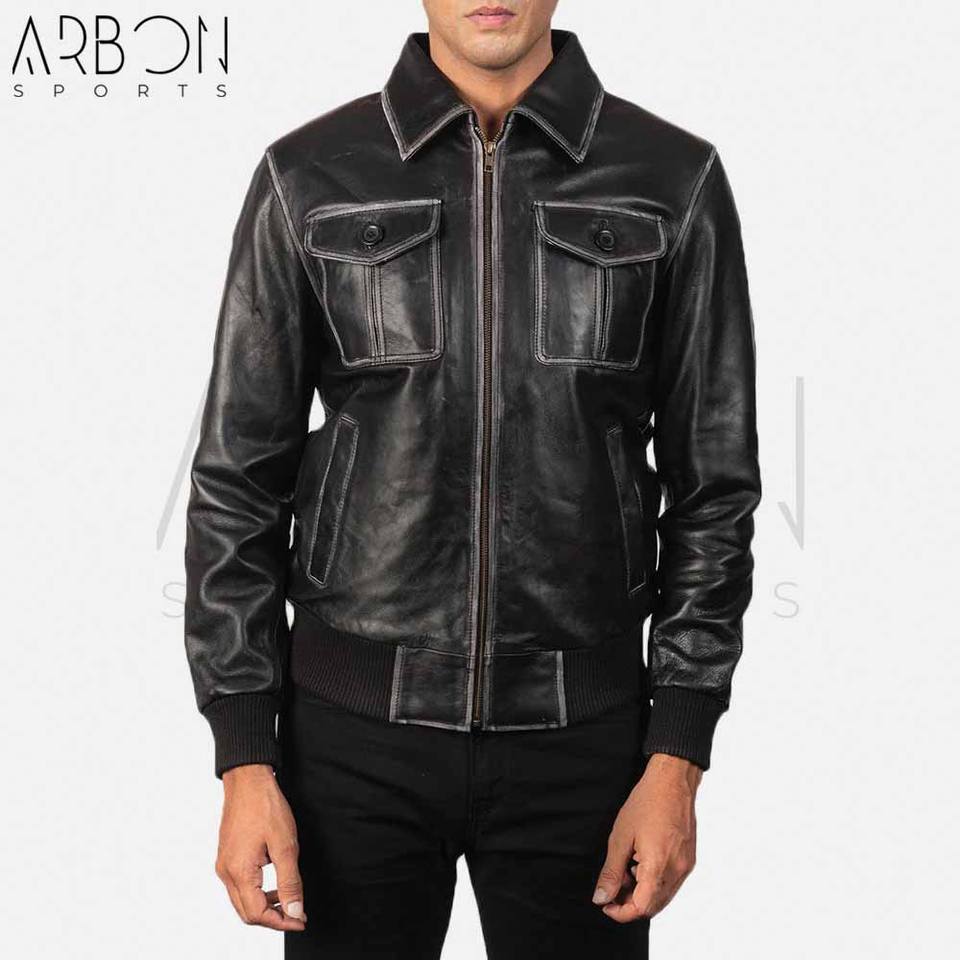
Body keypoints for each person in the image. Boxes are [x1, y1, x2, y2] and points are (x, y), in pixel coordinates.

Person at [184, 1, 761, 956]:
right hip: (349, 742)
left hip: (586, 743)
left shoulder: (673, 178)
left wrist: (678, 754)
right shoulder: (308, 174)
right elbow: (238, 480)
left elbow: (716, 488)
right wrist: (244, 755)